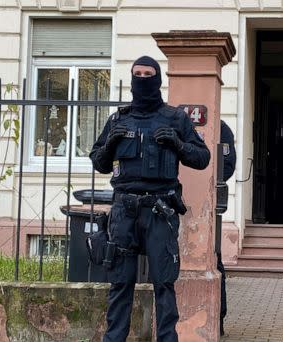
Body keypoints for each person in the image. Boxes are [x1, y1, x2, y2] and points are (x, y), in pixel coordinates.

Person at [90, 56, 210, 342]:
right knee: (120, 282)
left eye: (148, 73)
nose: (142, 79)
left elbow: (202, 157)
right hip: (123, 211)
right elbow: (98, 161)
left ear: (157, 79)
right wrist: (109, 144)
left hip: (160, 211)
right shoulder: (119, 119)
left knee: (164, 283)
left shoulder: (175, 118)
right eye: (137, 74)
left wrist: (179, 144)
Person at [217, 119, 236, 336]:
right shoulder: (177, 119)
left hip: (209, 202)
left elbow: (228, 164)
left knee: (214, 259)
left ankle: (218, 318)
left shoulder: (221, 129)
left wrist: (211, 178)